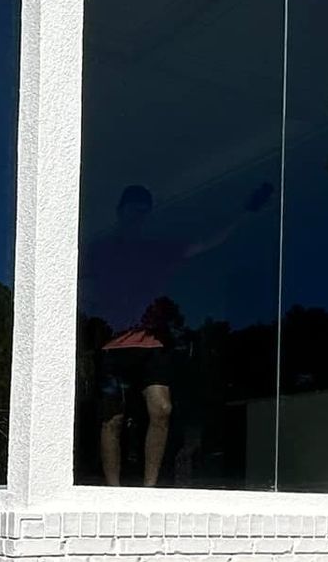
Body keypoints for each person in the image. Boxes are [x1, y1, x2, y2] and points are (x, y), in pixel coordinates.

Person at [96, 180, 274, 487]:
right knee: (112, 418)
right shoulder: (102, 249)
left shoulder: (157, 249)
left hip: (153, 342)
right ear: (120, 213)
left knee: (162, 409)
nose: (138, 217)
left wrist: (246, 211)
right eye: (133, 211)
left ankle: (148, 491)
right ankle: (113, 491)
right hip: (113, 344)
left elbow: (207, 242)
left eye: (143, 212)